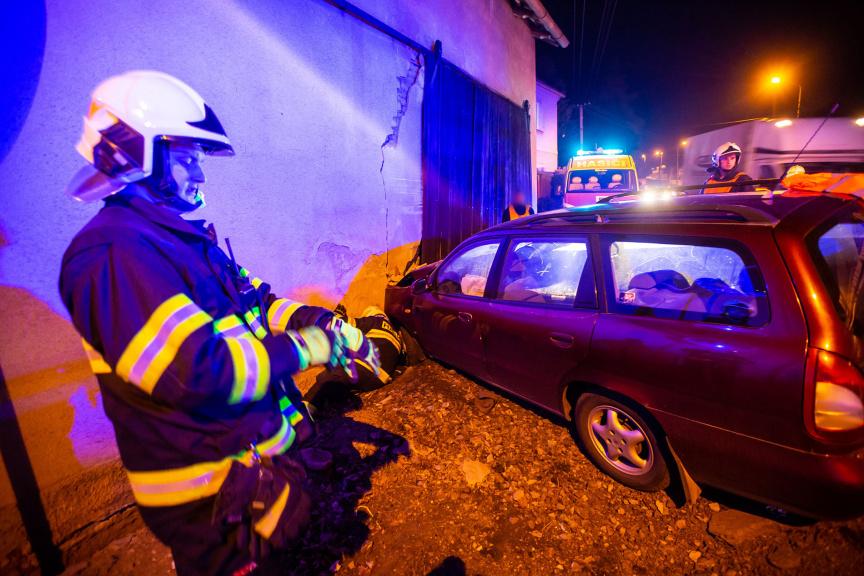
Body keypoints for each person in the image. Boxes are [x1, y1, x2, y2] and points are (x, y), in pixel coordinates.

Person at [59, 71, 381, 575]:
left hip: (251, 477)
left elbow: (258, 304)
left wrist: (326, 325)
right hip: (211, 505)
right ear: (138, 155)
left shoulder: (181, 242)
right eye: (188, 158)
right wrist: (309, 348)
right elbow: (198, 373)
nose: (200, 176)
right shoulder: (114, 253)